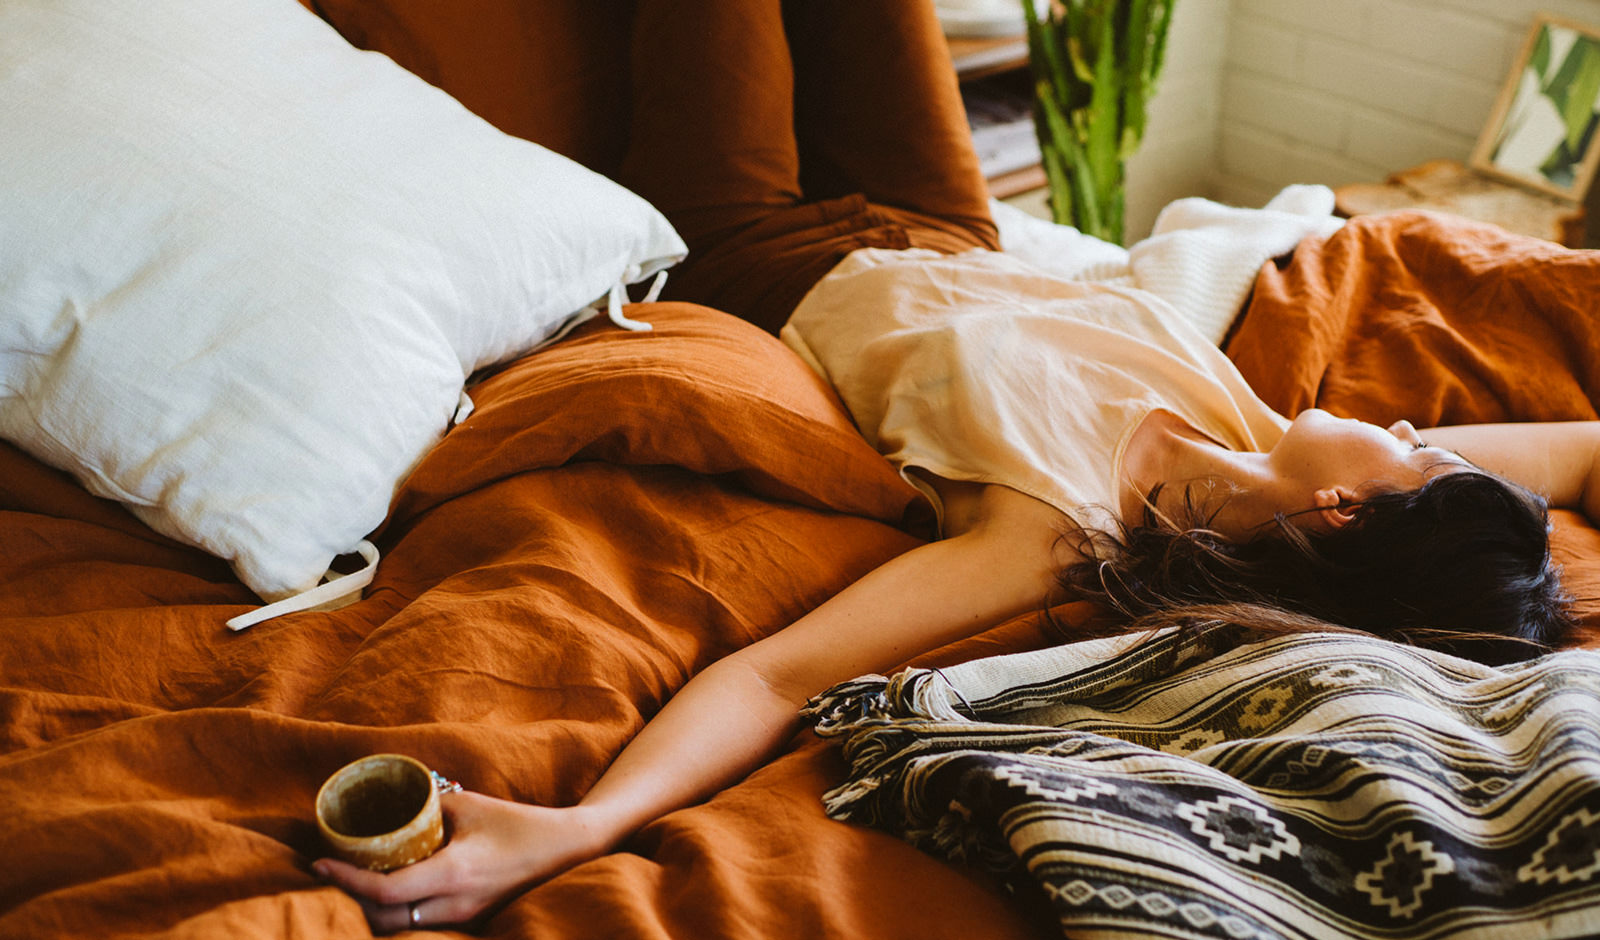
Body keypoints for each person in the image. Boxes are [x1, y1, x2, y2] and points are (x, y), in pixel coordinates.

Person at [311, 0, 1593, 930]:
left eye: (1414, 448)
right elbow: (1583, 453)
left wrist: (581, 827)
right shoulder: (1262, 423)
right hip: (948, 224)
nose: (1416, 425)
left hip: (771, 250)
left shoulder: (1045, 529)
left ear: (1345, 505)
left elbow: (772, 680)